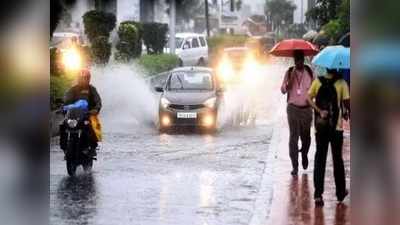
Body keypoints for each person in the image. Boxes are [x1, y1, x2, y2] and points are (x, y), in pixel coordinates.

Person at [307, 68, 350, 206]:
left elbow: (308, 98)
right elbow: (347, 103)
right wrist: (346, 112)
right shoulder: (342, 83)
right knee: (337, 160)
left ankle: (318, 195)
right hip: (336, 128)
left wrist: (319, 111)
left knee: (320, 159)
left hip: (320, 128)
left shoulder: (317, 82)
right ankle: (340, 192)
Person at [281, 50, 315, 176]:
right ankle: (294, 166)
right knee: (293, 137)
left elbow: (316, 89)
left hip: (307, 109)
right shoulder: (289, 72)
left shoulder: (310, 72)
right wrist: (291, 77)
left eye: (300, 60)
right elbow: (284, 90)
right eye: (296, 60)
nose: (298, 62)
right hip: (293, 109)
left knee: (306, 137)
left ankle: (304, 153)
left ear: (303, 59)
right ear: (294, 60)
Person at [62, 68, 102, 156]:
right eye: (81, 78)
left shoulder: (92, 89)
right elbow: (66, 100)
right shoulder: (73, 89)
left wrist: (96, 109)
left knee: (94, 124)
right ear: (78, 78)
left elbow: (98, 101)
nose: (83, 80)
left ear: (89, 79)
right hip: (74, 114)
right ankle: (64, 146)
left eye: (86, 78)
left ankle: (93, 147)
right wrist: (63, 106)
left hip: (88, 114)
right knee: (63, 124)